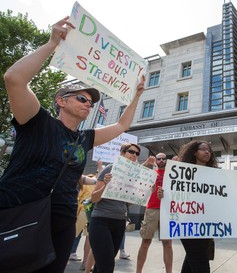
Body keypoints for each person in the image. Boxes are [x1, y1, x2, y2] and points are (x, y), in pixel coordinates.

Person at [0, 16, 145, 273]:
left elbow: (122, 126)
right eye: (81, 98)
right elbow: (13, 78)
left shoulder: (85, 138)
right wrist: (51, 43)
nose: (88, 104)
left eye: (91, 102)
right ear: (61, 101)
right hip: (21, 211)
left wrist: (136, 95)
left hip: (63, 219)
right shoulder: (36, 120)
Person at [89, 143, 153, 273]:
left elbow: (128, 203)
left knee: (102, 265)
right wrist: (106, 185)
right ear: (122, 153)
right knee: (107, 266)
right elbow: (94, 198)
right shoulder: (109, 169)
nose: (134, 155)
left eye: (137, 153)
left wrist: (145, 193)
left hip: (119, 223)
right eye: (131, 151)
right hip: (101, 221)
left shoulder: (132, 176)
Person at [158, 142, 217, 273]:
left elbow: (222, 196)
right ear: (195, 152)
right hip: (187, 224)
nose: (207, 152)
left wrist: (236, 200)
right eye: (203, 149)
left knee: (192, 262)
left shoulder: (215, 174)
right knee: (201, 264)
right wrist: (164, 194)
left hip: (206, 225)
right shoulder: (182, 172)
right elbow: (173, 194)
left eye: (209, 150)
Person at [136, 152, 173, 273]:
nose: (161, 160)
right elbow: (135, 174)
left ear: (166, 161)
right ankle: (138, 271)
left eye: (164, 158)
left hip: (167, 210)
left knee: (167, 243)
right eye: (159, 159)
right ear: (156, 160)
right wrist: (147, 163)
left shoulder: (172, 174)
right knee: (146, 241)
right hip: (152, 208)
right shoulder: (151, 173)